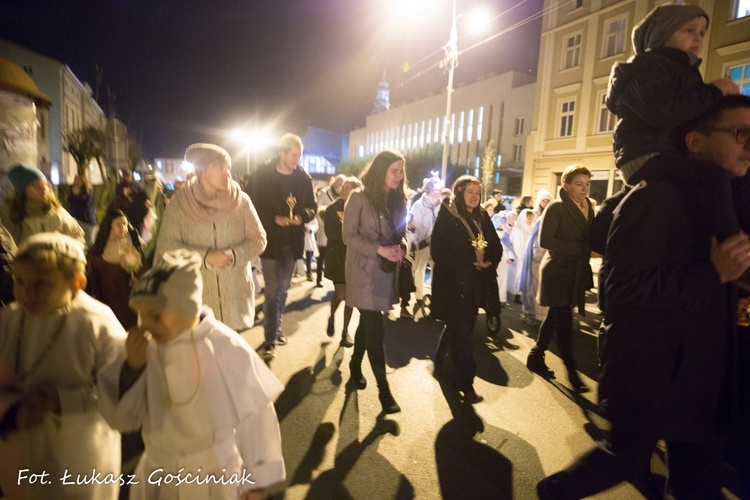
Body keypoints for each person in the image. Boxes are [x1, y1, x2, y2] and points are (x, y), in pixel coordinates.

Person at [537, 98, 750, 500]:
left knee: (694, 482)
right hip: (654, 370)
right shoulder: (659, 197)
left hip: (702, 376)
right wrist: (712, 274)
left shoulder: (722, 201)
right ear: (696, 141)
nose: (749, 145)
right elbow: (621, 290)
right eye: (739, 133)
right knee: (625, 457)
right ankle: (553, 492)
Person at [98, 250, 286, 500]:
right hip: (159, 471)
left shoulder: (224, 346)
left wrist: (255, 481)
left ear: (187, 309)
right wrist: (131, 370)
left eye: (156, 316)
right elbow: (121, 419)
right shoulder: (143, 350)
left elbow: (255, 417)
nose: (145, 325)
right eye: (141, 315)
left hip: (214, 473)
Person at [0, 233, 124, 499]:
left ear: (77, 283)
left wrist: (64, 400)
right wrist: (14, 410)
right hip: (24, 449)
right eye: (20, 282)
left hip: (83, 452)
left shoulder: (97, 322)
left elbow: (122, 390)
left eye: (41, 284)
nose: (26, 294)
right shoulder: (10, 320)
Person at [606, 3, 740, 242]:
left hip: (667, 150)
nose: (698, 38)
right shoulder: (650, 66)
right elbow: (662, 112)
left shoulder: (684, 71)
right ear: (662, 34)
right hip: (646, 154)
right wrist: (714, 92)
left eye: (701, 32)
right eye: (688, 30)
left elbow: (691, 113)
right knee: (714, 177)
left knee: (734, 172)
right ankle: (732, 247)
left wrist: (723, 102)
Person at [157, 143, 267, 332]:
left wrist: (234, 255)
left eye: (229, 169)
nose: (228, 175)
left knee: (232, 355)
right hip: (197, 302)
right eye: (222, 169)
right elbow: (166, 246)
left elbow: (259, 239)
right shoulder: (179, 204)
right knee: (202, 358)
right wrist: (206, 257)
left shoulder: (241, 201)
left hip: (236, 297)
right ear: (205, 170)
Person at [343, 149, 407, 415]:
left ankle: (355, 366)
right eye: (394, 170)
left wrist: (401, 248)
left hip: (385, 271)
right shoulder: (358, 197)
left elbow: (400, 232)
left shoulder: (399, 199)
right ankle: (384, 393)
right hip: (362, 272)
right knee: (375, 328)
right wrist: (379, 249)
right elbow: (348, 236)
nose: (399, 176)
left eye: (401, 171)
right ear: (380, 170)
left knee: (368, 324)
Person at [432, 175, 502, 403]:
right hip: (454, 285)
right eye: (469, 192)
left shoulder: (481, 216)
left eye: (477, 192)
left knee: (458, 327)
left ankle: (440, 364)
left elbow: (496, 246)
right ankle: (467, 385)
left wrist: (489, 260)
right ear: (459, 193)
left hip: (475, 285)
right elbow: (438, 251)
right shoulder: (449, 215)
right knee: (462, 335)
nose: (474, 196)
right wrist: (468, 260)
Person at [526, 164, 594, 393]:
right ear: (565, 185)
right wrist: (576, 248)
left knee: (555, 316)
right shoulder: (556, 207)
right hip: (557, 270)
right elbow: (545, 240)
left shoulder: (588, 207)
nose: (584, 189)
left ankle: (536, 355)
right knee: (564, 321)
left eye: (587, 184)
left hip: (575, 272)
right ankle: (572, 371)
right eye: (578, 184)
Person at [248, 134, 316, 358]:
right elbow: (251, 205)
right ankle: (269, 339)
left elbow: (311, 207)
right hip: (270, 242)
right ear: (282, 153)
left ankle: (276, 328)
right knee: (272, 290)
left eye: (299, 155)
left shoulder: (303, 179)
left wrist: (301, 216)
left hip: (292, 242)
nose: (297, 160)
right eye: (293, 155)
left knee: (284, 289)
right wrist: (273, 219)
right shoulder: (262, 175)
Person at [86, 210, 145, 329]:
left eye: (125, 224)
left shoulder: (133, 242)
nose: (122, 227)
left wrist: (138, 279)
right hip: (110, 292)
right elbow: (91, 270)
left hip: (129, 291)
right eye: (118, 224)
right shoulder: (101, 248)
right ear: (110, 226)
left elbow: (142, 265)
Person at [1, 163, 85, 246]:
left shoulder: (58, 212)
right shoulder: (10, 216)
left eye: (46, 184)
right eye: (37, 186)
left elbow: (78, 238)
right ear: (23, 191)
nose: (44, 189)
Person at [324, 176, 360, 347]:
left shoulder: (362, 209)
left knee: (351, 297)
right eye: (343, 187)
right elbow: (330, 233)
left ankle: (345, 332)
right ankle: (332, 316)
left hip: (355, 258)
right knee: (341, 294)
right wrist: (351, 236)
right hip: (337, 257)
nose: (344, 190)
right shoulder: (332, 209)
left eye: (348, 188)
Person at [405, 176, 443, 319]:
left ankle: (434, 296)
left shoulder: (441, 205)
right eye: (436, 189)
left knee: (436, 270)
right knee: (420, 269)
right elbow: (415, 226)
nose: (439, 191)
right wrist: (421, 240)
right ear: (429, 190)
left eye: (439, 189)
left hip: (437, 243)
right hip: (423, 242)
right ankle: (419, 297)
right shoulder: (419, 205)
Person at [315, 174, 345, 288]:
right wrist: (326, 221)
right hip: (324, 227)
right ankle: (318, 278)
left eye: (342, 186)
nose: (340, 188)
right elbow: (318, 209)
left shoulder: (343, 197)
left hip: (338, 230)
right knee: (322, 254)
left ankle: (335, 280)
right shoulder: (324, 193)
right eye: (338, 185)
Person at [68, 173, 98, 247]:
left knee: (89, 243)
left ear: (83, 181)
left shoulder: (88, 190)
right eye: (75, 180)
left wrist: (76, 194)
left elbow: (84, 203)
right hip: (76, 221)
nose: (77, 182)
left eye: (79, 180)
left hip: (87, 221)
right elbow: (71, 205)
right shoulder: (72, 192)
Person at [303, 217, 318, 281]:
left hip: (308, 238)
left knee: (308, 256)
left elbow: (315, 226)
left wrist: (310, 229)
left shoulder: (312, 218)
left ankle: (309, 272)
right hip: (299, 236)